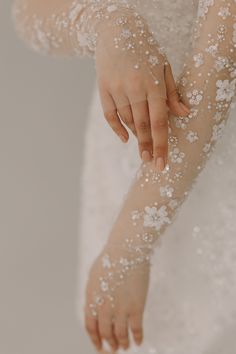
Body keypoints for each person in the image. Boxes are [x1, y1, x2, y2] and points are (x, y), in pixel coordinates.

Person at [12, 1, 236, 353]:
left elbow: (214, 85)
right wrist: (104, 25)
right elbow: (28, 13)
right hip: (120, 155)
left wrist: (127, 250)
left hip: (214, 155)